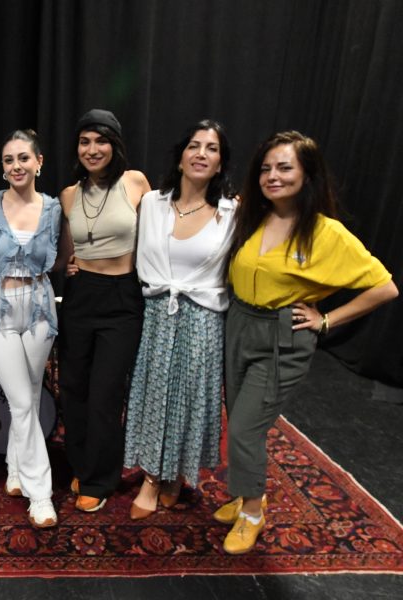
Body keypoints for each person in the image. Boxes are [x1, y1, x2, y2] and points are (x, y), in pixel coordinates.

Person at [217, 130, 398, 554]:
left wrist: (327, 319)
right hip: (240, 323)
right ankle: (247, 492)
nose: (272, 176)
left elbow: (384, 287)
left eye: (284, 167)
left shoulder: (325, 232)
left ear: (307, 173)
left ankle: (252, 513)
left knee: (246, 426)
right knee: (237, 418)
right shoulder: (253, 215)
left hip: (282, 336)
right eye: (265, 168)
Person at [123, 120, 237, 519]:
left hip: (201, 321)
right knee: (156, 396)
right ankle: (152, 477)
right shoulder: (152, 203)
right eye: (194, 145)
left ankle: (172, 474)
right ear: (182, 155)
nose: (202, 153)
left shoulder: (231, 213)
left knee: (188, 399)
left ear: (221, 163)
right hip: (156, 315)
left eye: (212, 148)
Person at [59, 109, 151, 512]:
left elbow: (159, 235)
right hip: (81, 295)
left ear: (115, 144)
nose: (92, 149)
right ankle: (82, 464)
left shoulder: (135, 183)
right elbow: (64, 255)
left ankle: (101, 478)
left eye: (101, 140)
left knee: (105, 394)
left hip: (122, 297)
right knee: (74, 388)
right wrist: (68, 264)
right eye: (84, 141)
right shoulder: (69, 194)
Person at [0, 129, 62, 528]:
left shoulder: (54, 208)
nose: (16, 166)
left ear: (39, 162)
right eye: (9, 159)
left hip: (41, 306)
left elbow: (65, 255)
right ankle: (41, 495)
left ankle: (14, 468)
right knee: (23, 402)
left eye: (23, 158)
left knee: (27, 394)